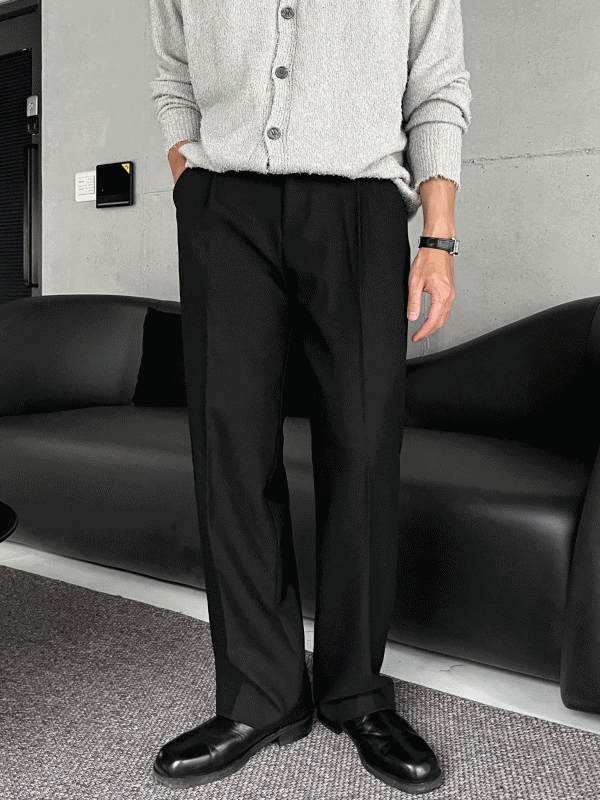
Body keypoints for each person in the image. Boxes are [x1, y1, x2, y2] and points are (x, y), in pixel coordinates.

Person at [148, 0, 472, 793]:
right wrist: (191, 178)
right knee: (230, 448)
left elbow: (437, 85)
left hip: (358, 204)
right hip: (225, 206)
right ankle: (260, 695)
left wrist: (437, 238)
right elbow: (174, 74)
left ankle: (356, 690)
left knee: (363, 447)